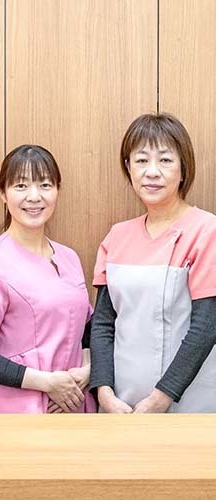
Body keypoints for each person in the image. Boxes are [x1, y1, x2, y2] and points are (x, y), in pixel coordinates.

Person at [90, 112, 216, 413]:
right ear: (128, 167)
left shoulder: (206, 230)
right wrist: (104, 392)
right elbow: (103, 324)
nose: (152, 172)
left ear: (183, 169)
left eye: (165, 160)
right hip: (122, 405)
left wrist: (161, 398)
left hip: (190, 404)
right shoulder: (117, 236)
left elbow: (206, 326)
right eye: (141, 160)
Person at [0, 144, 95, 413]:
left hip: (72, 404)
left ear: (57, 190)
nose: (34, 196)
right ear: (3, 193)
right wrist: (48, 383)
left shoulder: (69, 257)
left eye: (45, 185)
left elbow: (86, 330)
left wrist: (89, 369)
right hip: (14, 411)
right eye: (21, 186)